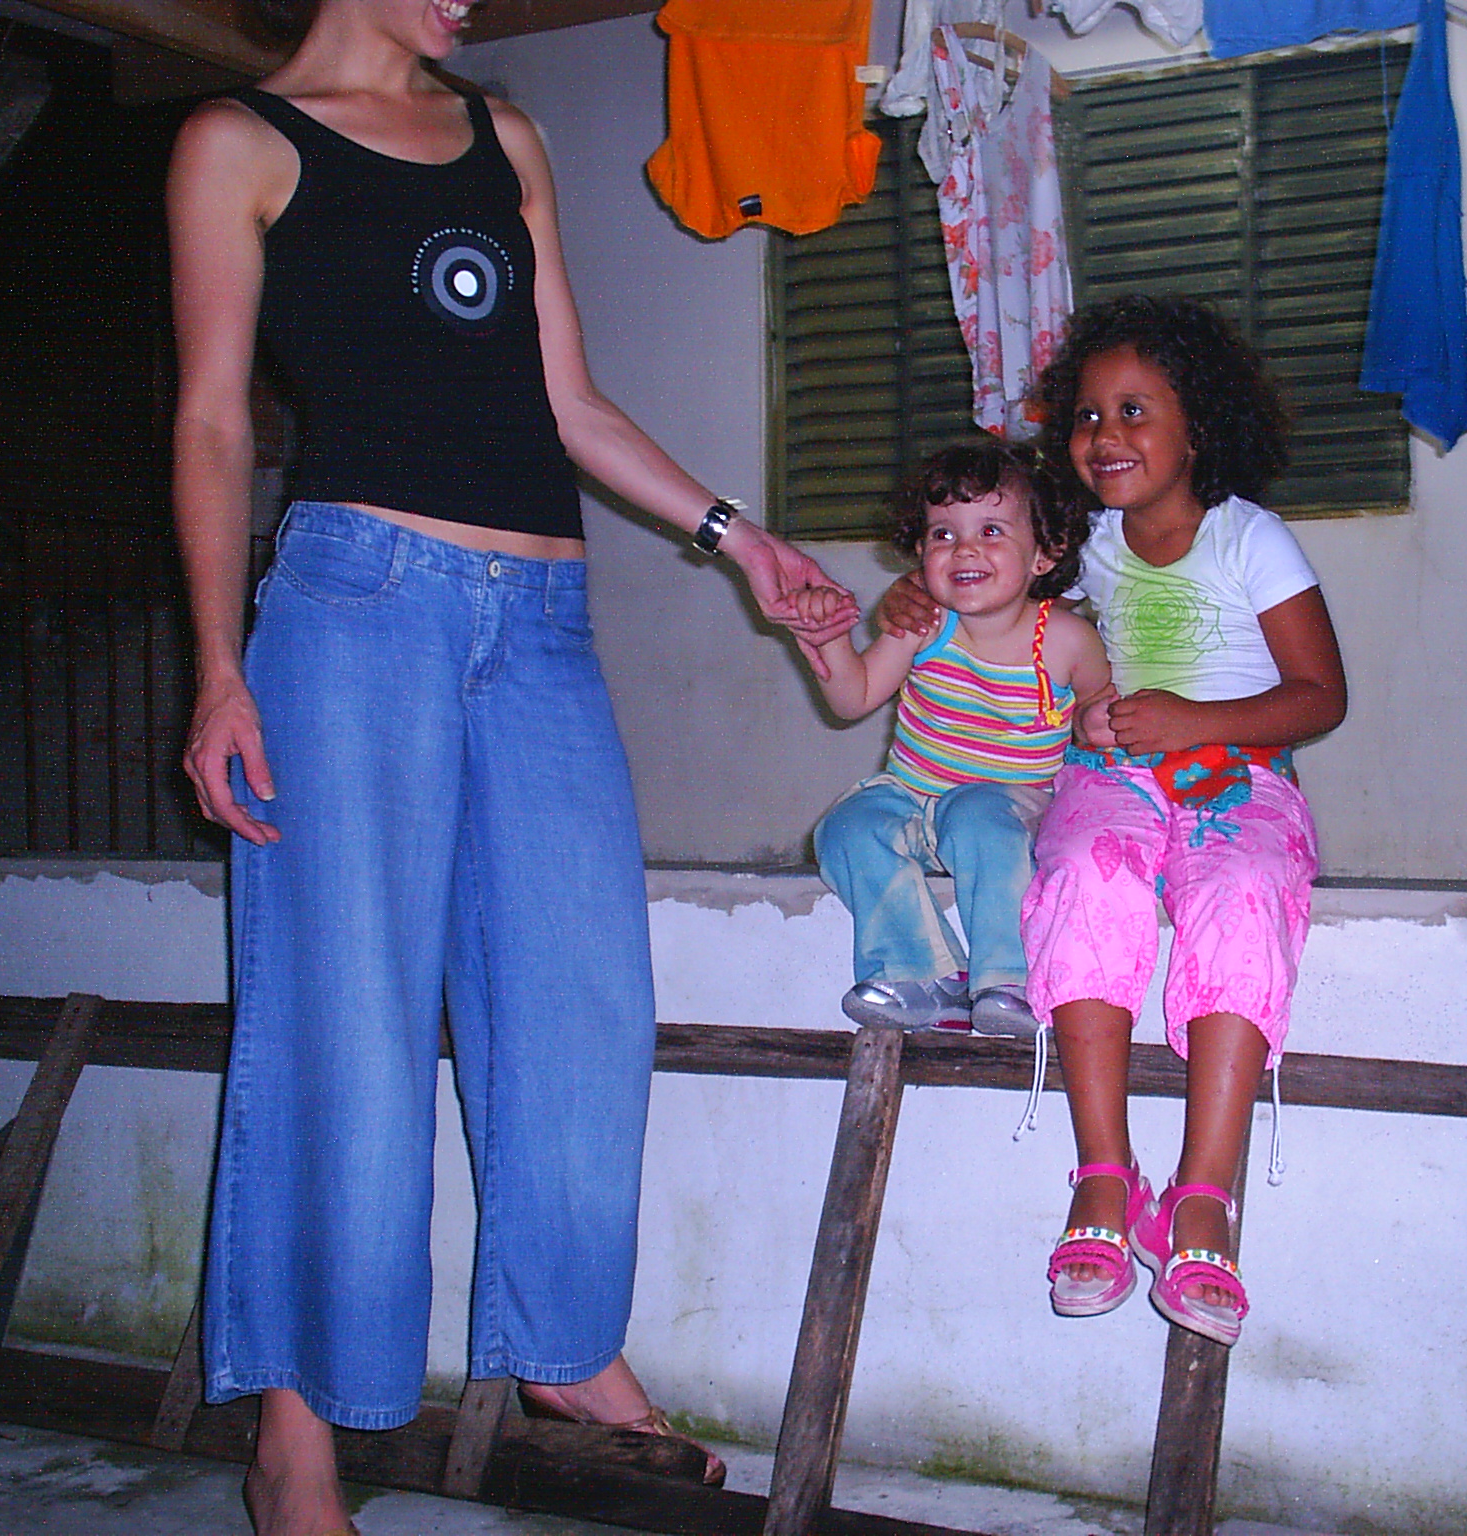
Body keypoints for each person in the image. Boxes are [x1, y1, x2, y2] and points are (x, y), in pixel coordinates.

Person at [165, 0, 856, 1525]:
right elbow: (212, 422)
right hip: (357, 610)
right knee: (345, 1022)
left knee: (581, 991)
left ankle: (561, 1343)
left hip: (538, 622)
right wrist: (217, 668)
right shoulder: (238, 144)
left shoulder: (505, 137)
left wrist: (741, 542)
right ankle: (295, 1434)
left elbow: (568, 402)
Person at [877, 295, 1346, 1347]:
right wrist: (913, 597)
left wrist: (1195, 719)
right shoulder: (1083, 541)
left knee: (1242, 891)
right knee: (1085, 869)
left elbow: (1321, 695)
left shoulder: (1249, 540)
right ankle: (1103, 1172)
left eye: (1135, 411)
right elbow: (986, 573)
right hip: (1115, 776)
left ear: (1200, 424)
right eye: (1087, 415)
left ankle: (1201, 1193)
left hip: (1238, 775)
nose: (1104, 435)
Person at [792, 440, 1108, 1038]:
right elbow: (854, 698)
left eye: (991, 530)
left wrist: (1100, 720)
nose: (964, 548)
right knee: (847, 826)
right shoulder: (925, 625)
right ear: (920, 550)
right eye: (942, 534)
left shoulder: (1066, 640)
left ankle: (1010, 979)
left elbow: (1099, 712)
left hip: (1011, 810)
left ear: (1045, 553)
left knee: (977, 812)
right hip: (913, 796)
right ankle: (924, 975)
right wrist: (828, 638)